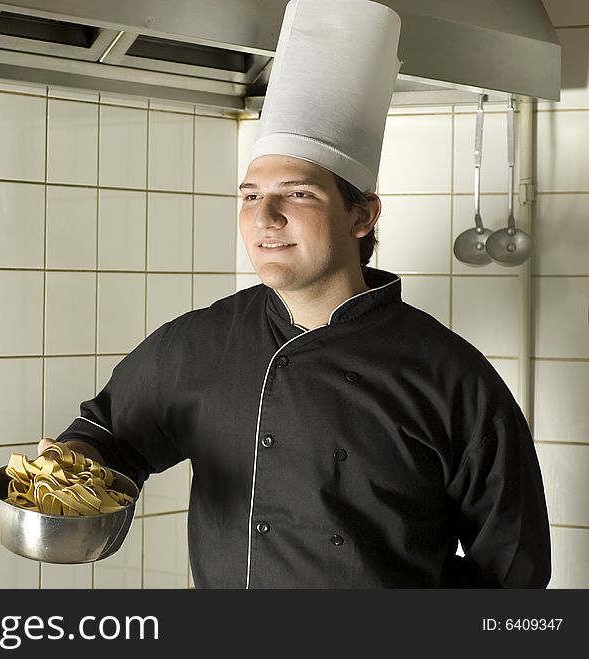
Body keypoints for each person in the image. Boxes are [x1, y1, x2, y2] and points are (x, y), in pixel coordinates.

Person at [38, 0, 551, 588]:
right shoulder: (203, 342)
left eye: (298, 194)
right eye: (251, 195)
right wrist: (65, 471)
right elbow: (108, 438)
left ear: (363, 215)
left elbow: (515, 574)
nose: (266, 216)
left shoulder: (452, 378)